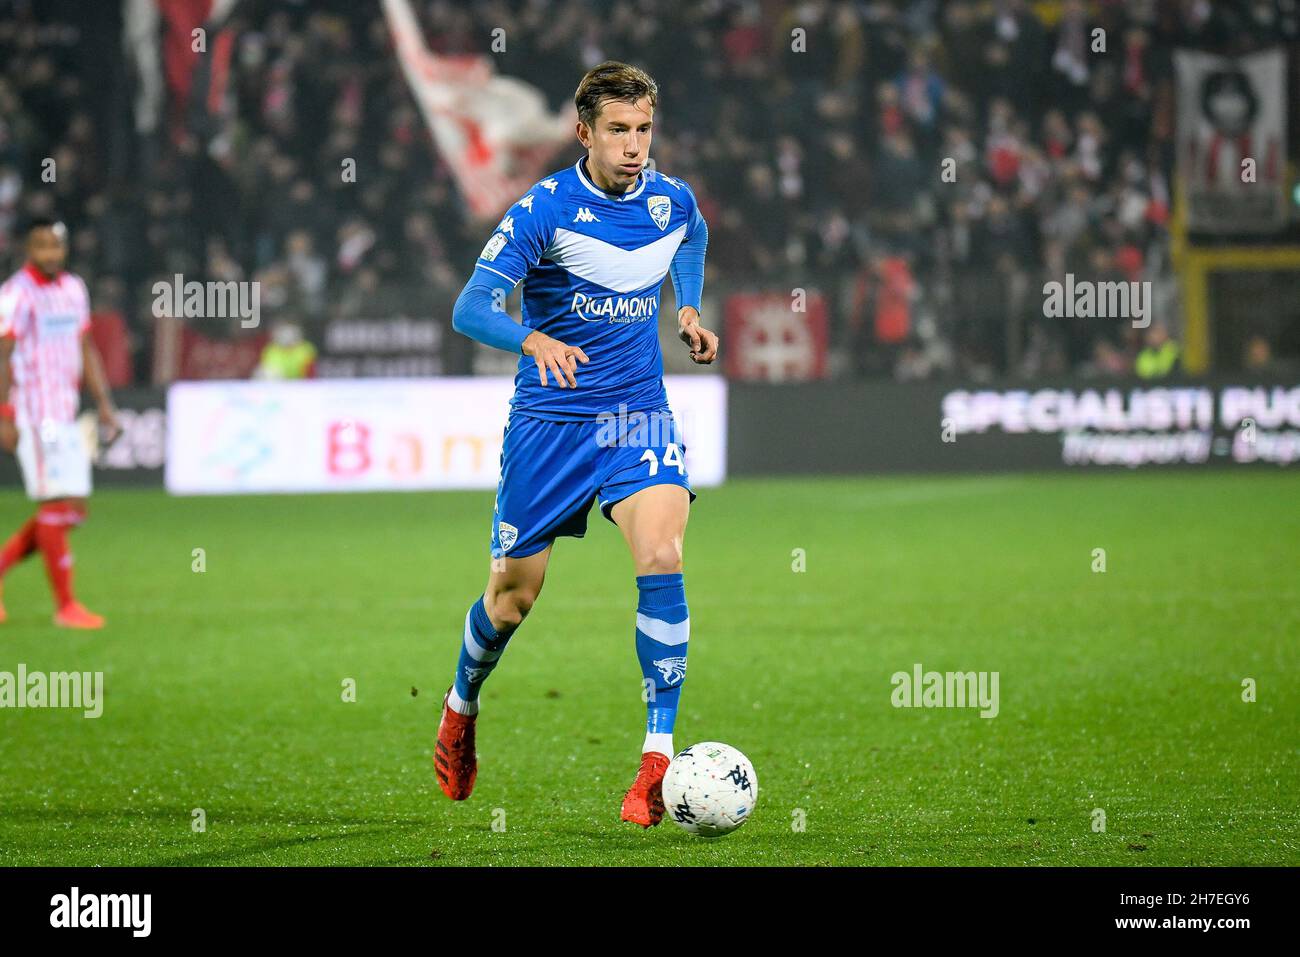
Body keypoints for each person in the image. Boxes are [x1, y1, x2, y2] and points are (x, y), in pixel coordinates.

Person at [437, 61, 718, 827]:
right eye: (619, 131)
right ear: (584, 132)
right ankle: (461, 705)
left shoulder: (671, 198)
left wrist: (687, 311)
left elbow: (690, 234)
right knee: (510, 600)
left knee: (663, 555)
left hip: (636, 416)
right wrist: (531, 338)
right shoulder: (542, 210)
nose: (634, 145)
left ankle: (655, 760)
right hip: (551, 427)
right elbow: (470, 307)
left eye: (644, 129)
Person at [0, 218, 121, 628]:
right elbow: (2, 355)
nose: (49, 253)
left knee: (73, 509)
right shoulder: (16, 293)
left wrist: (104, 403)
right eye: (40, 246)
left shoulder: (74, 289)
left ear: (64, 249)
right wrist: (3, 414)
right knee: (54, 504)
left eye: (55, 246)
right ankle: (66, 606)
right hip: (33, 412)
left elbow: (85, 347)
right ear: (28, 250)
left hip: (66, 411)